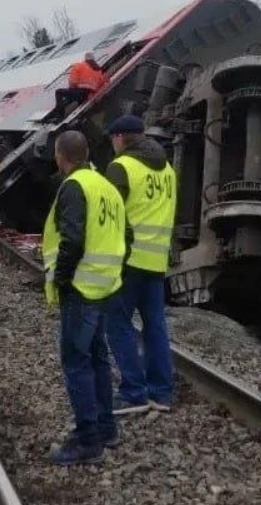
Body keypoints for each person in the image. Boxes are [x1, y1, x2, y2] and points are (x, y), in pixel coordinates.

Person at [42, 130, 124, 465]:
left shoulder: (74, 186)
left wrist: (62, 279)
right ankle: (106, 428)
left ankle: (87, 440)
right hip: (104, 285)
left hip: (80, 288)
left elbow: (72, 240)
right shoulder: (106, 186)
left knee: (76, 362)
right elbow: (127, 235)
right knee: (98, 358)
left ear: (59, 156)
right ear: (87, 152)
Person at [102, 115, 177, 415]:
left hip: (127, 261)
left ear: (120, 137)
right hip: (156, 262)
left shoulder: (121, 167)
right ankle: (161, 393)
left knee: (117, 323)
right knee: (155, 325)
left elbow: (109, 216)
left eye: (113, 138)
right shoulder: (168, 170)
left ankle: (133, 392)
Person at [53, 52, 108, 119]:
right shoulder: (98, 70)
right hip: (87, 95)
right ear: (93, 59)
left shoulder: (79, 65)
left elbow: (73, 82)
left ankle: (60, 115)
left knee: (58, 92)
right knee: (74, 100)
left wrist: (71, 91)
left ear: (85, 59)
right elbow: (101, 83)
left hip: (79, 92)